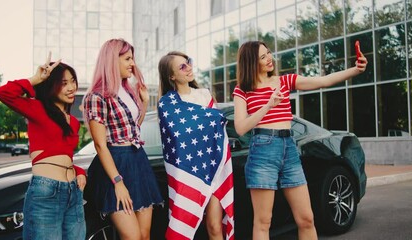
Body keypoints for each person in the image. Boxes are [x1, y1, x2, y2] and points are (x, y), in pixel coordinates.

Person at [232, 40, 367, 240]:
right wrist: (268, 105)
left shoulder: (285, 81)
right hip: (262, 151)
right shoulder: (242, 91)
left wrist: (355, 70)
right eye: (262, 57)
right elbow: (241, 128)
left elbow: (323, 81)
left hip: (289, 148)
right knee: (263, 222)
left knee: (306, 218)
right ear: (251, 61)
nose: (269, 58)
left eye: (268, 53)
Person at [0, 52, 87, 240]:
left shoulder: (74, 122)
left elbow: (63, 154)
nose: (71, 88)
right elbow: (3, 93)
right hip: (46, 190)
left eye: (72, 81)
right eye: (64, 83)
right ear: (52, 86)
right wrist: (37, 78)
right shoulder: (37, 108)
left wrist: (79, 171)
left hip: (73, 193)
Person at [83, 38, 163, 240]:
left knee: (144, 236)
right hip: (115, 166)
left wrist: (144, 104)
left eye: (132, 59)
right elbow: (100, 144)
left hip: (138, 161)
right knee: (132, 237)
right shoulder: (97, 96)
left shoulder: (129, 91)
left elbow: (132, 129)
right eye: (127, 59)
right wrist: (118, 182)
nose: (132, 64)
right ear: (112, 60)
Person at [157, 51, 234, 240]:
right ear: (172, 76)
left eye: (188, 62)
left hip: (214, 167)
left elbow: (216, 128)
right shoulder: (167, 104)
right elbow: (178, 138)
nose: (189, 68)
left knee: (215, 226)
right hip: (188, 172)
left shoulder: (204, 95)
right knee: (183, 226)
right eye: (182, 66)